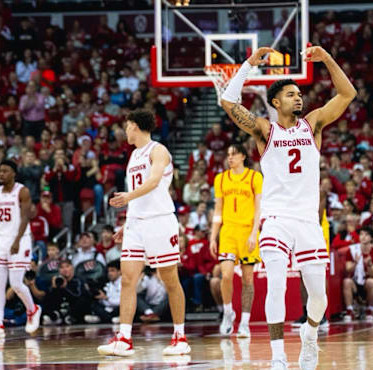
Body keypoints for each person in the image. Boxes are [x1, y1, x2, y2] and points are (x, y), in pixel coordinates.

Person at [220, 45, 355, 370]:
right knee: (277, 285)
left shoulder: (314, 124)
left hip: (309, 222)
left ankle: (310, 335)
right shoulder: (265, 131)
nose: (299, 99)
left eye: (300, 94)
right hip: (276, 221)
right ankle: (278, 358)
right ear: (276, 102)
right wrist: (250, 63)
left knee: (319, 299)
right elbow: (227, 102)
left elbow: (348, 93)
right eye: (292, 94)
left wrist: (327, 59)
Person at [97, 109, 190, 357]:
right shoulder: (134, 155)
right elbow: (140, 196)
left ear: (136, 126)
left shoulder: (157, 150)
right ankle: (124, 339)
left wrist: (127, 197)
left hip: (160, 222)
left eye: (127, 126)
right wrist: (125, 224)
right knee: (128, 279)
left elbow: (154, 181)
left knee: (169, 279)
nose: (125, 131)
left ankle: (180, 336)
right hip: (136, 225)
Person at [209, 143, 262, 338]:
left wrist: (254, 233)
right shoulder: (221, 179)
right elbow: (217, 211)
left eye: (234, 154)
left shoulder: (255, 177)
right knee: (226, 275)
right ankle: (228, 312)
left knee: (248, 279)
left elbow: (258, 209)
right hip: (228, 232)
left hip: (248, 231)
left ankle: (245, 323)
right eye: (228, 154)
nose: (229, 157)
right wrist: (213, 236)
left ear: (243, 157)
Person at [0, 160, 41, 339]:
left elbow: (25, 217)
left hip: (20, 238)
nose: (1, 174)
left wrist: (17, 240)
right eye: (0, 171)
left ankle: (33, 309)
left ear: (14, 174)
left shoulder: (22, 191)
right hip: (1, 240)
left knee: (16, 283)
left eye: (5, 171)